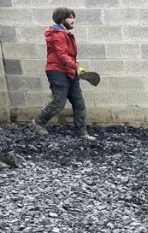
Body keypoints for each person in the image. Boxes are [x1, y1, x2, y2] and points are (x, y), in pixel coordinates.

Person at [32, 8, 95, 141]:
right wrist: (76, 66)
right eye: (70, 17)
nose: (73, 20)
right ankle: (39, 122)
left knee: (79, 103)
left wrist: (76, 66)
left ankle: (81, 132)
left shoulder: (65, 33)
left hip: (69, 71)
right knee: (59, 102)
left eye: (73, 17)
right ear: (62, 19)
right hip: (57, 71)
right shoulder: (58, 34)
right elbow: (62, 55)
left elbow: (68, 55)